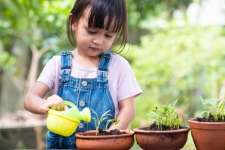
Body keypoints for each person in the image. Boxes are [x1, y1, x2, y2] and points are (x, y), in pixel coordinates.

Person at [24, 0, 142, 149]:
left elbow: (128, 109)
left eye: (108, 35)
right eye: (91, 31)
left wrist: (110, 134)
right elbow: (30, 99)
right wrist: (45, 104)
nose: (98, 41)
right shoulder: (58, 64)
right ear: (74, 22)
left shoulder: (118, 66)